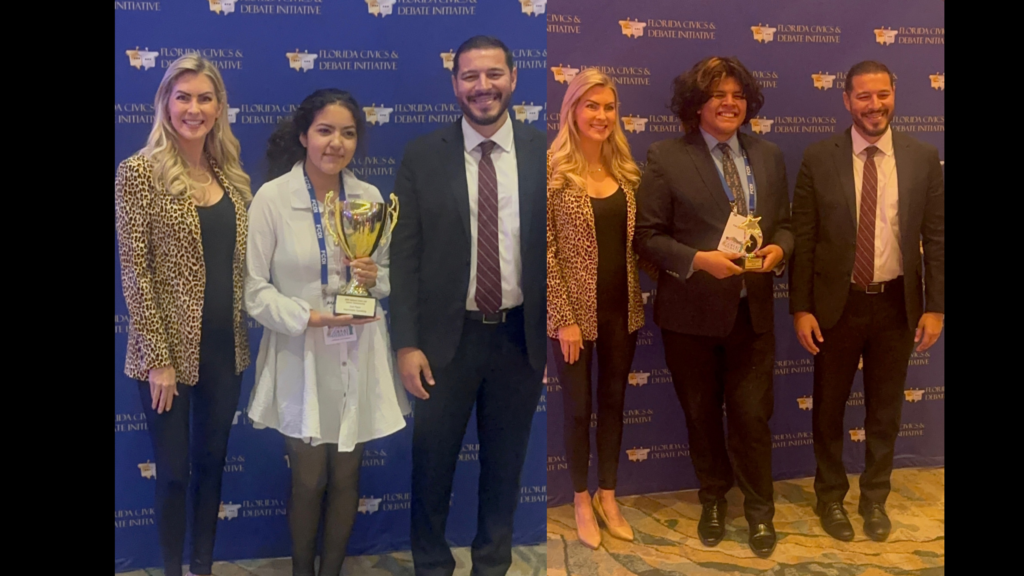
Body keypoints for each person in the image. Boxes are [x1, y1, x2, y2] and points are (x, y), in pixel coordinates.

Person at [389, 35, 546, 576]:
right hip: (442, 343)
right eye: (471, 76)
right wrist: (406, 343)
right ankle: (431, 565)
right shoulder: (421, 155)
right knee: (431, 466)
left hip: (519, 340)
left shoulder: (543, 152)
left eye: (493, 74)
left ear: (513, 78)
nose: (483, 87)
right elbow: (403, 258)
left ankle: (491, 566)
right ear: (455, 84)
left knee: (505, 470)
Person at [244, 88, 410, 576]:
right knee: (309, 479)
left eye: (348, 132)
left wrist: (372, 278)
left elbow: (387, 277)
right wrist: (308, 317)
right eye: (325, 130)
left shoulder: (369, 199)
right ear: (303, 135)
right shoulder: (272, 198)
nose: (336, 142)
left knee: (347, 475)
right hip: (302, 353)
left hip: (357, 352)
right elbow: (254, 290)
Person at [633, 56, 793, 558]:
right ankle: (713, 501)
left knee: (751, 418)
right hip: (691, 319)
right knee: (701, 418)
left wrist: (780, 250)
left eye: (738, 95)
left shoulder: (768, 155)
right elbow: (647, 237)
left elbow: (786, 224)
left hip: (754, 315)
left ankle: (760, 512)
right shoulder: (664, 156)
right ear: (695, 104)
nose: (730, 103)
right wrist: (698, 260)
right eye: (718, 95)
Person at [789, 60, 944, 543]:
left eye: (882, 95)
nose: (873, 105)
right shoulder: (819, 156)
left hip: (897, 306)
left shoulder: (922, 157)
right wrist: (801, 308)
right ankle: (830, 497)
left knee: (884, 412)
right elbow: (805, 238)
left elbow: (936, 239)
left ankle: (875, 499)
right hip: (837, 307)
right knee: (828, 410)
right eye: (863, 96)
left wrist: (936, 306)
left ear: (894, 93)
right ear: (846, 100)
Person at [114, 54, 251, 576]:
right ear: (166, 104)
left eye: (205, 98)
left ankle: (202, 566)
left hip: (226, 350)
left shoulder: (233, 178)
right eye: (184, 97)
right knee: (173, 472)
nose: (194, 108)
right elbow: (135, 272)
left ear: (219, 107)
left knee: (211, 466)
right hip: (166, 356)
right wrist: (158, 359)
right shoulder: (137, 173)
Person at [547, 68, 653, 549]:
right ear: (572, 110)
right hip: (572, 320)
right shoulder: (551, 173)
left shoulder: (628, 174)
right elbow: (544, 251)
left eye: (609, 107)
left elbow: (644, 245)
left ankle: (609, 496)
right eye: (591, 105)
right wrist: (564, 318)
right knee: (577, 410)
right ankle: (580, 499)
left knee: (613, 405)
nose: (602, 115)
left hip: (622, 313)